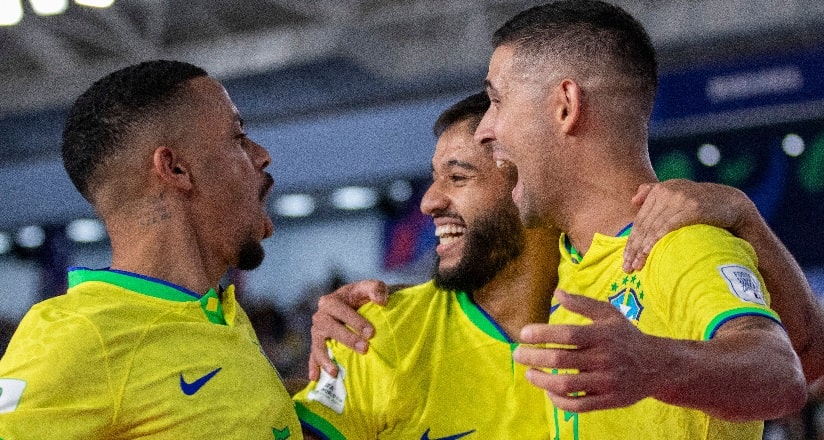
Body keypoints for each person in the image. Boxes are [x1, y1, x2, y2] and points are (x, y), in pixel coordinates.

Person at [473, 0, 805, 437]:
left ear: (565, 106)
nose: (483, 129)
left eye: (497, 100)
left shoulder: (682, 242)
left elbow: (782, 374)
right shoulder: (572, 256)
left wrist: (653, 365)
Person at [0, 60, 302, 439]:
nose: (262, 155)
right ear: (174, 169)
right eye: (238, 138)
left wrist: (359, 350)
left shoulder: (216, 315)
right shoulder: (81, 334)